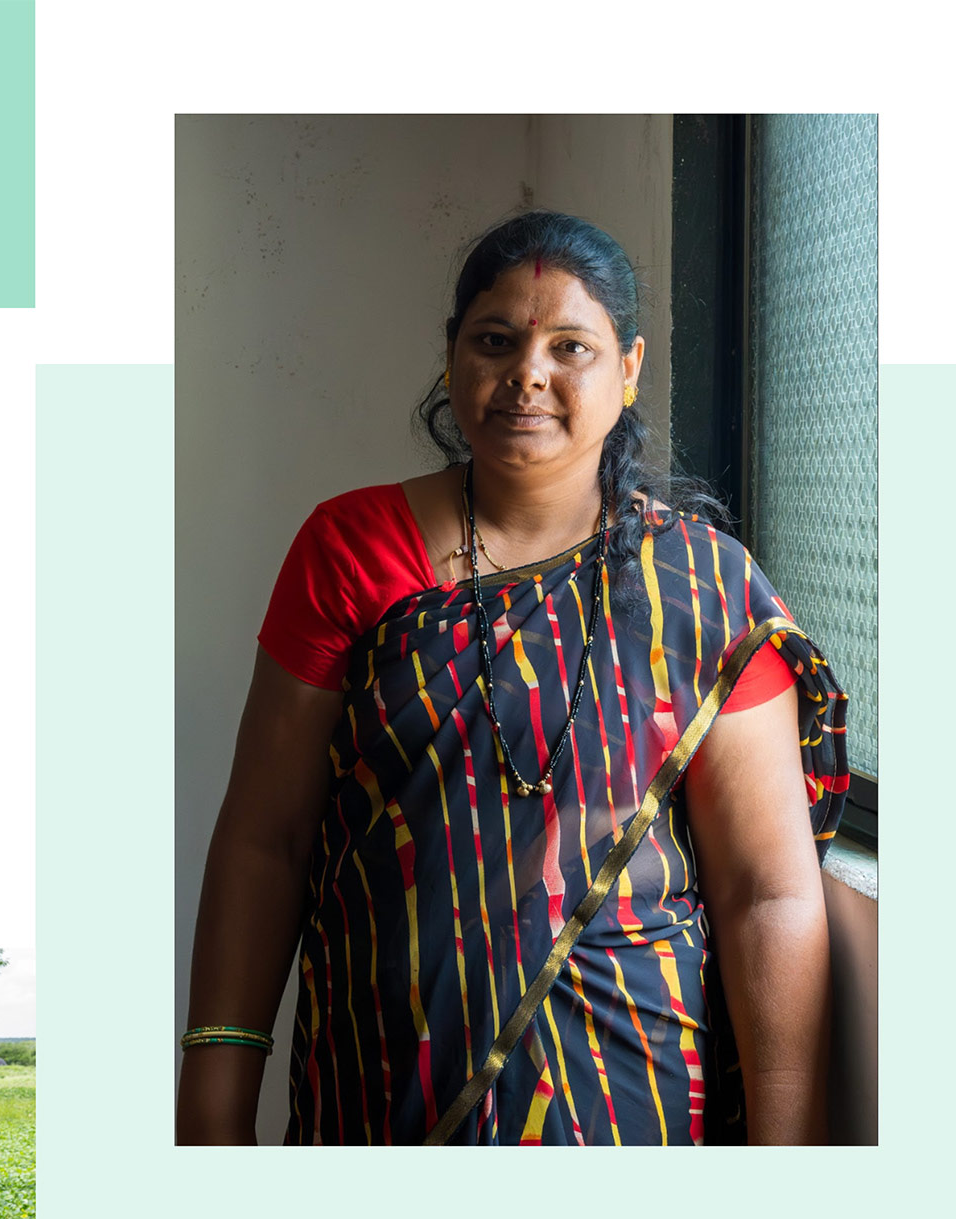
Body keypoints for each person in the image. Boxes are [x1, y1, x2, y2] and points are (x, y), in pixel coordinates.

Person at [179, 210, 848, 1148]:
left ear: (629, 369)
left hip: (627, 1091)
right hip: (378, 1090)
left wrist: (792, 1155)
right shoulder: (352, 548)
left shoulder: (704, 587)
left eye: (569, 345)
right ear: (453, 358)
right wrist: (212, 1097)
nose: (528, 373)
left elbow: (766, 892)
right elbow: (266, 840)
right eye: (495, 340)